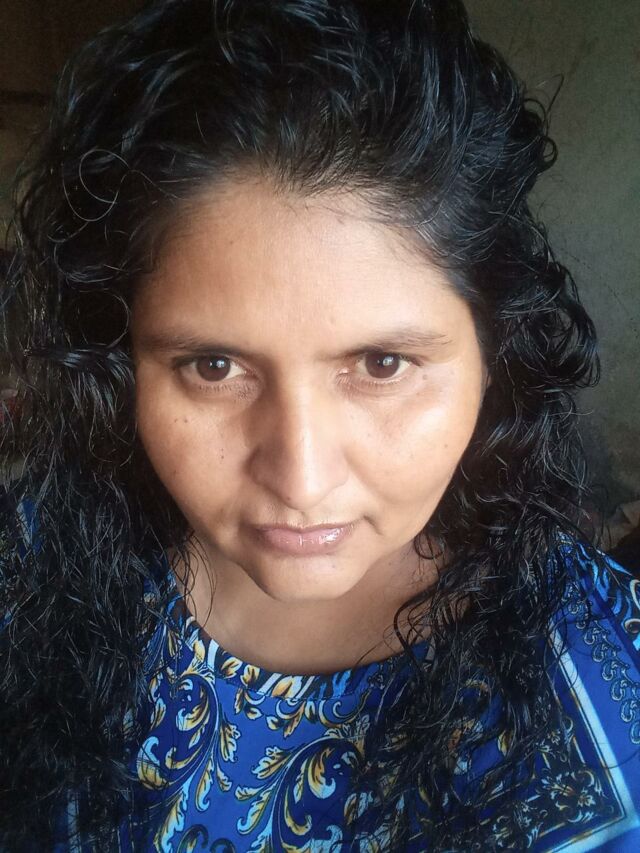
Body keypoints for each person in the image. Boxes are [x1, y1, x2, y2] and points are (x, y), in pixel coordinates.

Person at [1, 0, 638, 850]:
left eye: (382, 364)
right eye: (213, 365)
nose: (301, 479)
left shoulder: (603, 707)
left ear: (496, 355)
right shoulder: (29, 560)